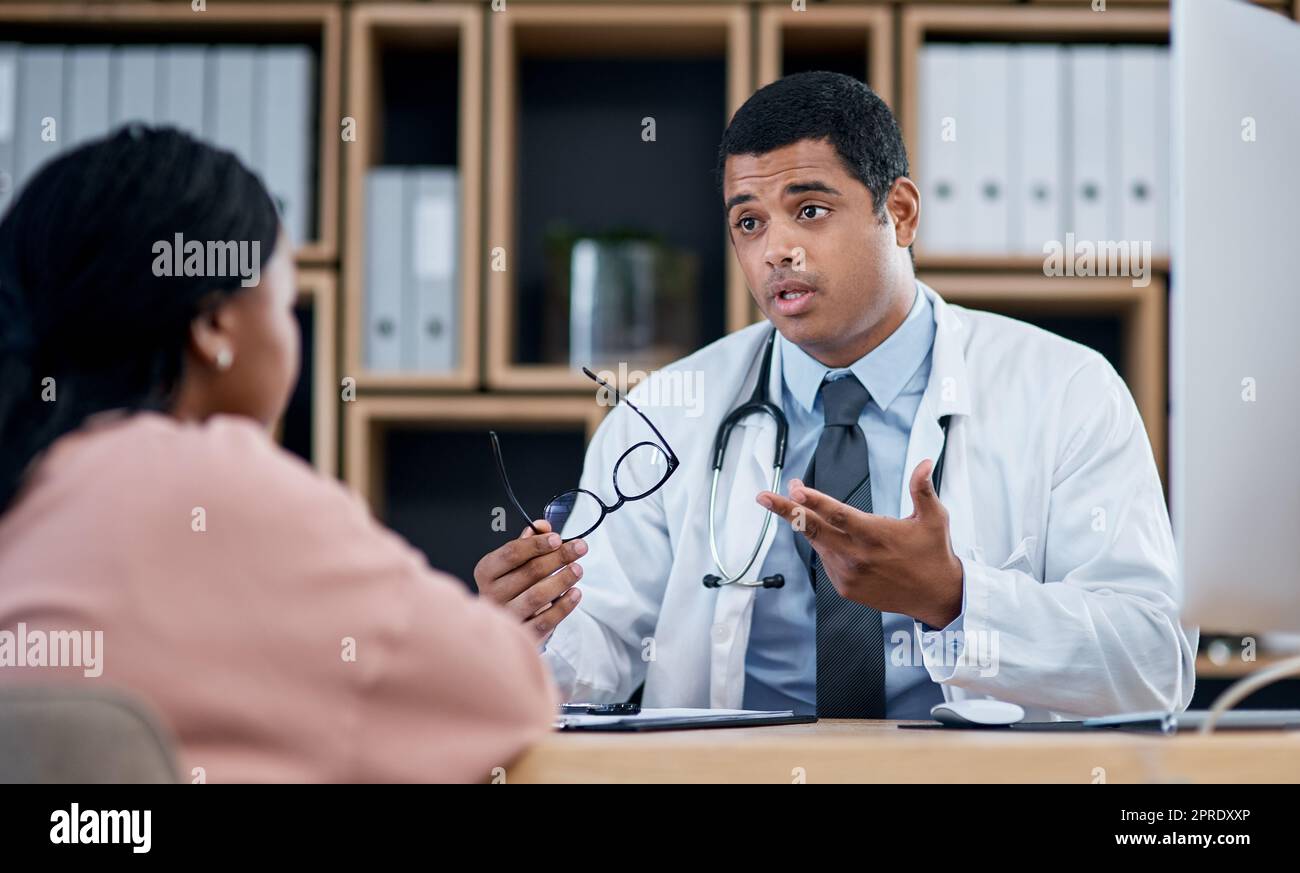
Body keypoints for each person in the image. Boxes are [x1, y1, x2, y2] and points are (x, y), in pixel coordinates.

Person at [475, 72, 1197, 720]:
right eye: (748, 221)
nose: (775, 250)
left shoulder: (1067, 390)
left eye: (810, 210)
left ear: (902, 213)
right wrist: (532, 626)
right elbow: (600, 659)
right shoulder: (666, 410)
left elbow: (1157, 659)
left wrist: (954, 598)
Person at [0, 126, 557, 782]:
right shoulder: (218, 482)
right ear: (214, 325)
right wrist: (480, 635)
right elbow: (503, 697)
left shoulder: (34, 476)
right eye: (286, 304)